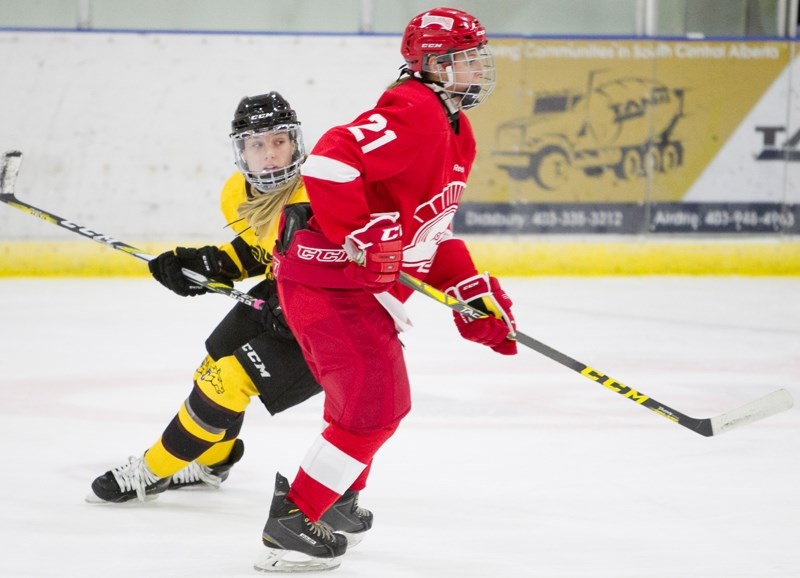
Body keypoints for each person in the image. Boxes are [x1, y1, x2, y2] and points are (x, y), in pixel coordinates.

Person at [256, 7, 517, 573]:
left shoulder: (457, 129)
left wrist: (469, 289)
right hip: (328, 287)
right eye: (464, 57)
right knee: (375, 406)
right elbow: (327, 162)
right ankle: (292, 521)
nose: (477, 66)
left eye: (477, 55)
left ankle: (338, 495)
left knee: (367, 403)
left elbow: (431, 229)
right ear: (430, 64)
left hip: (361, 293)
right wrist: (360, 232)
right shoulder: (414, 110)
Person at [87, 91, 373, 546]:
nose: (269, 153)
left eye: (279, 141)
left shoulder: (322, 191)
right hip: (283, 294)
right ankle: (213, 462)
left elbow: (359, 260)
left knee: (227, 381)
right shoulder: (235, 194)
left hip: (334, 317)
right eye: (256, 145)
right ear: (240, 150)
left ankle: (154, 470)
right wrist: (207, 264)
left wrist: (310, 298)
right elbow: (259, 251)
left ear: (297, 143)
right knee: (215, 358)